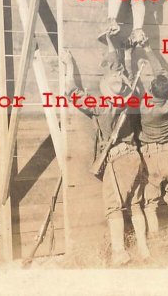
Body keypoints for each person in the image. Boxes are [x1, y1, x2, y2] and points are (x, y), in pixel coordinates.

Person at [61, 49, 150, 265]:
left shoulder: (101, 107)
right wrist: (127, 59)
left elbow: (72, 92)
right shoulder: (132, 101)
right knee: (136, 205)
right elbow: (130, 83)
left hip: (117, 159)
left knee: (113, 207)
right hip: (134, 157)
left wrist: (69, 66)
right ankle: (145, 250)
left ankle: (119, 253)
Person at [137, 46, 168, 235]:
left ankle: (156, 241)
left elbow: (134, 89)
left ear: (150, 91)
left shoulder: (144, 107)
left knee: (150, 205)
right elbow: (164, 75)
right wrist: (148, 49)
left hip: (151, 159)